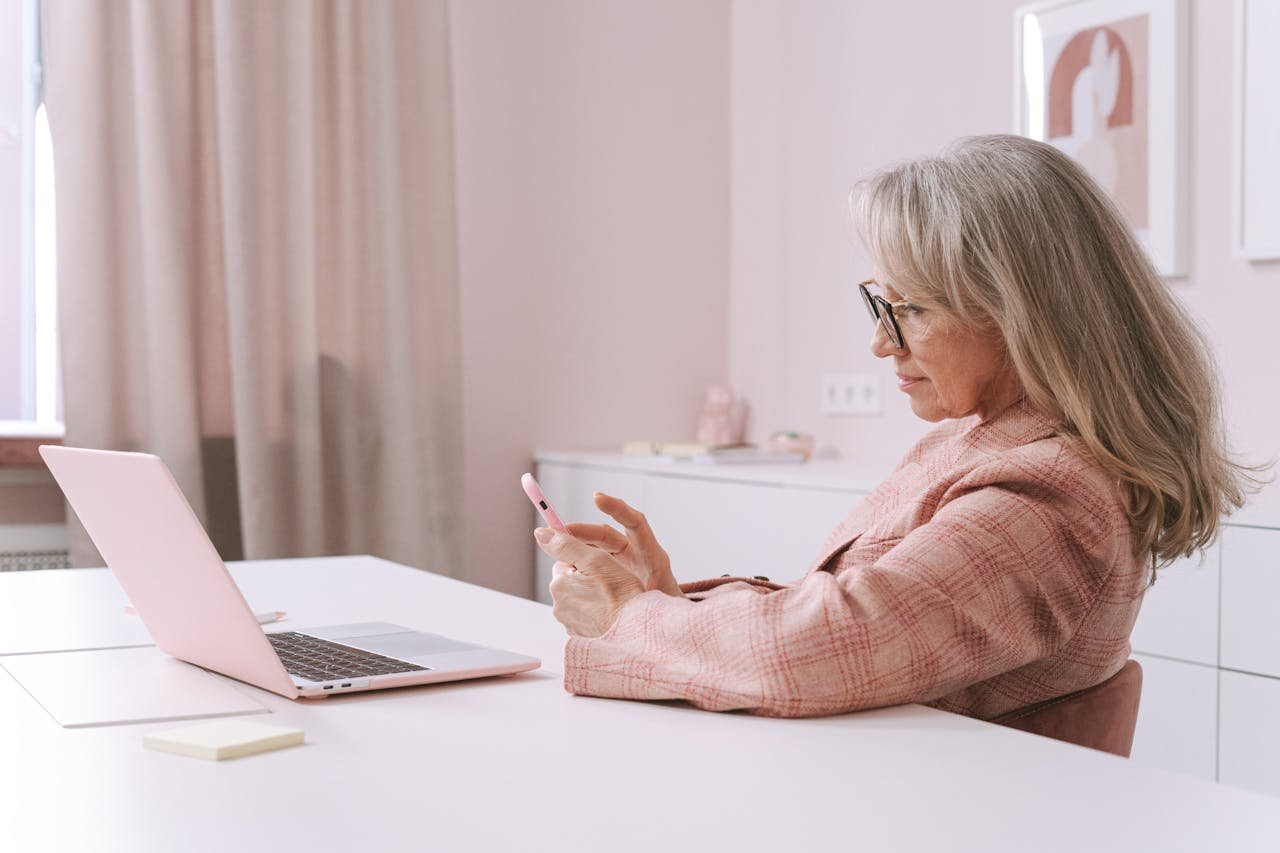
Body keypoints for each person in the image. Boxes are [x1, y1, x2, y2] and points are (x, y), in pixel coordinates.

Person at [533, 134, 1254, 720]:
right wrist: (664, 598)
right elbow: (855, 617)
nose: (882, 344)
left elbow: (812, 652)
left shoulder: (1050, 493)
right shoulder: (972, 444)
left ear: (1024, 319)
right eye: (881, 305)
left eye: (910, 310)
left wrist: (631, 618)